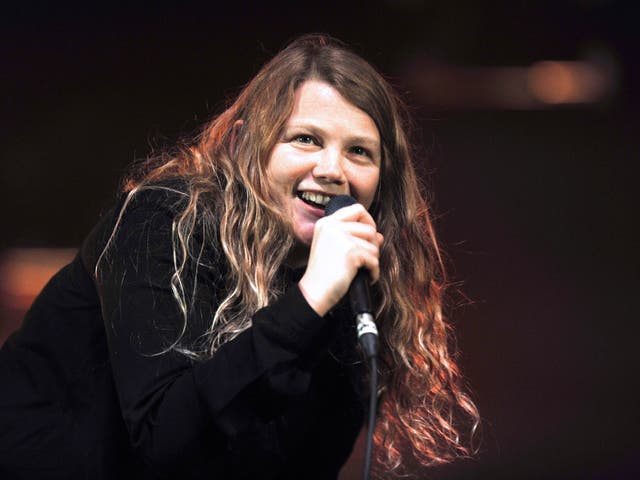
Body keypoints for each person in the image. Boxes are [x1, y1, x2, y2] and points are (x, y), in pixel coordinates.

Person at [0, 34, 479, 479]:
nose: (332, 169)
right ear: (242, 145)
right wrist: (308, 302)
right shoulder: (161, 222)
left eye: (359, 151)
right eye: (306, 139)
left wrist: (318, 305)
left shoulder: (351, 292)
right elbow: (164, 439)